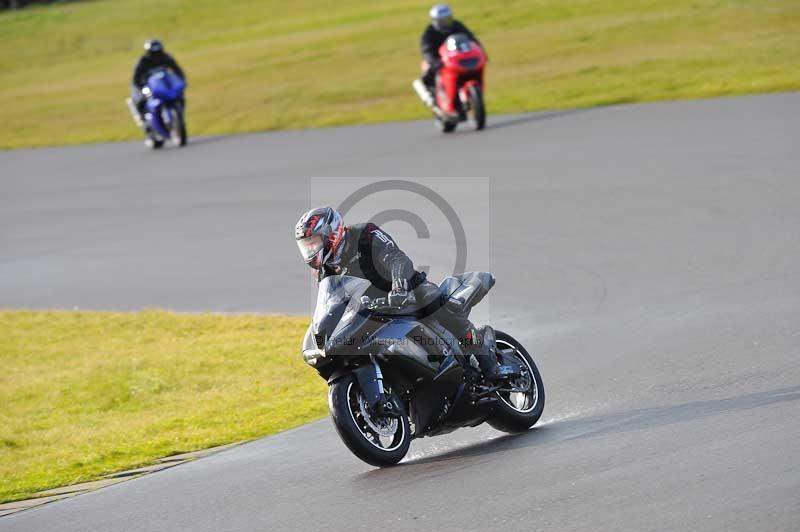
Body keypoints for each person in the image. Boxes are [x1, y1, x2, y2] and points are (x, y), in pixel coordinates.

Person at [294, 206, 516, 383]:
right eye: (307, 245)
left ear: (331, 233)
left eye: (314, 242)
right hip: (372, 307)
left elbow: (396, 259)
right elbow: (332, 301)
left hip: (408, 289)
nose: (311, 250)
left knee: (444, 310)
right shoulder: (325, 270)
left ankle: (490, 364)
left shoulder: (365, 234)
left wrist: (399, 287)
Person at [419, 4, 484, 96]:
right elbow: (426, 49)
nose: (445, 23)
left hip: (457, 57)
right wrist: (433, 61)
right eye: (441, 21)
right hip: (438, 59)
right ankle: (432, 93)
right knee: (428, 72)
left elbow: (471, 40)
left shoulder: (457, 26)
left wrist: (481, 52)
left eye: (447, 19)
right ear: (435, 21)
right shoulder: (429, 32)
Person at [129, 39, 185, 124]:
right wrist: (140, 88)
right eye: (153, 53)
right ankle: (142, 118)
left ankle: (178, 115)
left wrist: (181, 80)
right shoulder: (143, 61)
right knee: (139, 99)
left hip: (163, 86)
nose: (156, 56)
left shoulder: (166, 58)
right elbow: (136, 77)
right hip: (147, 85)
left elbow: (177, 69)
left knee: (179, 96)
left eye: (158, 52)